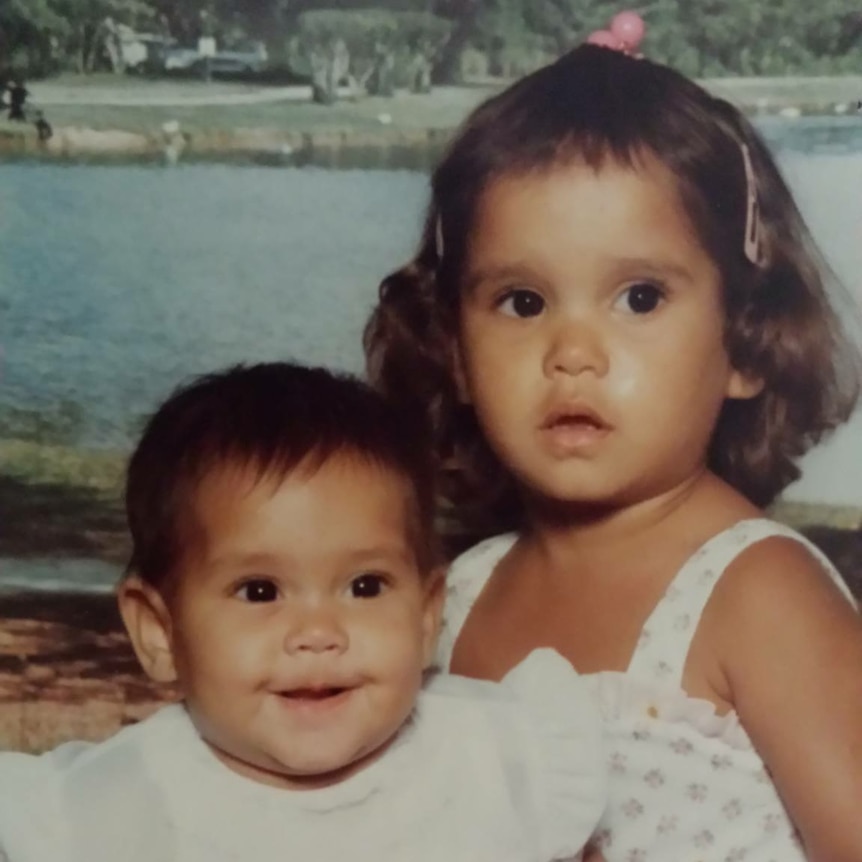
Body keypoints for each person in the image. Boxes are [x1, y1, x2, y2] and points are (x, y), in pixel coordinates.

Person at [364, 44, 862, 861]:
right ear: (454, 349)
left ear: (746, 343)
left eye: (639, 297)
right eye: (521, 302)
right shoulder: (454, 601)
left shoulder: (758, 595)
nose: (572, 352)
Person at [0, 362, 607, 862]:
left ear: (426, 616)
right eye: (261, 592)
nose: (319, 634)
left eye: (365, 586)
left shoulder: (497, 756)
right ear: (159, 631)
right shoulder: (101, 810)